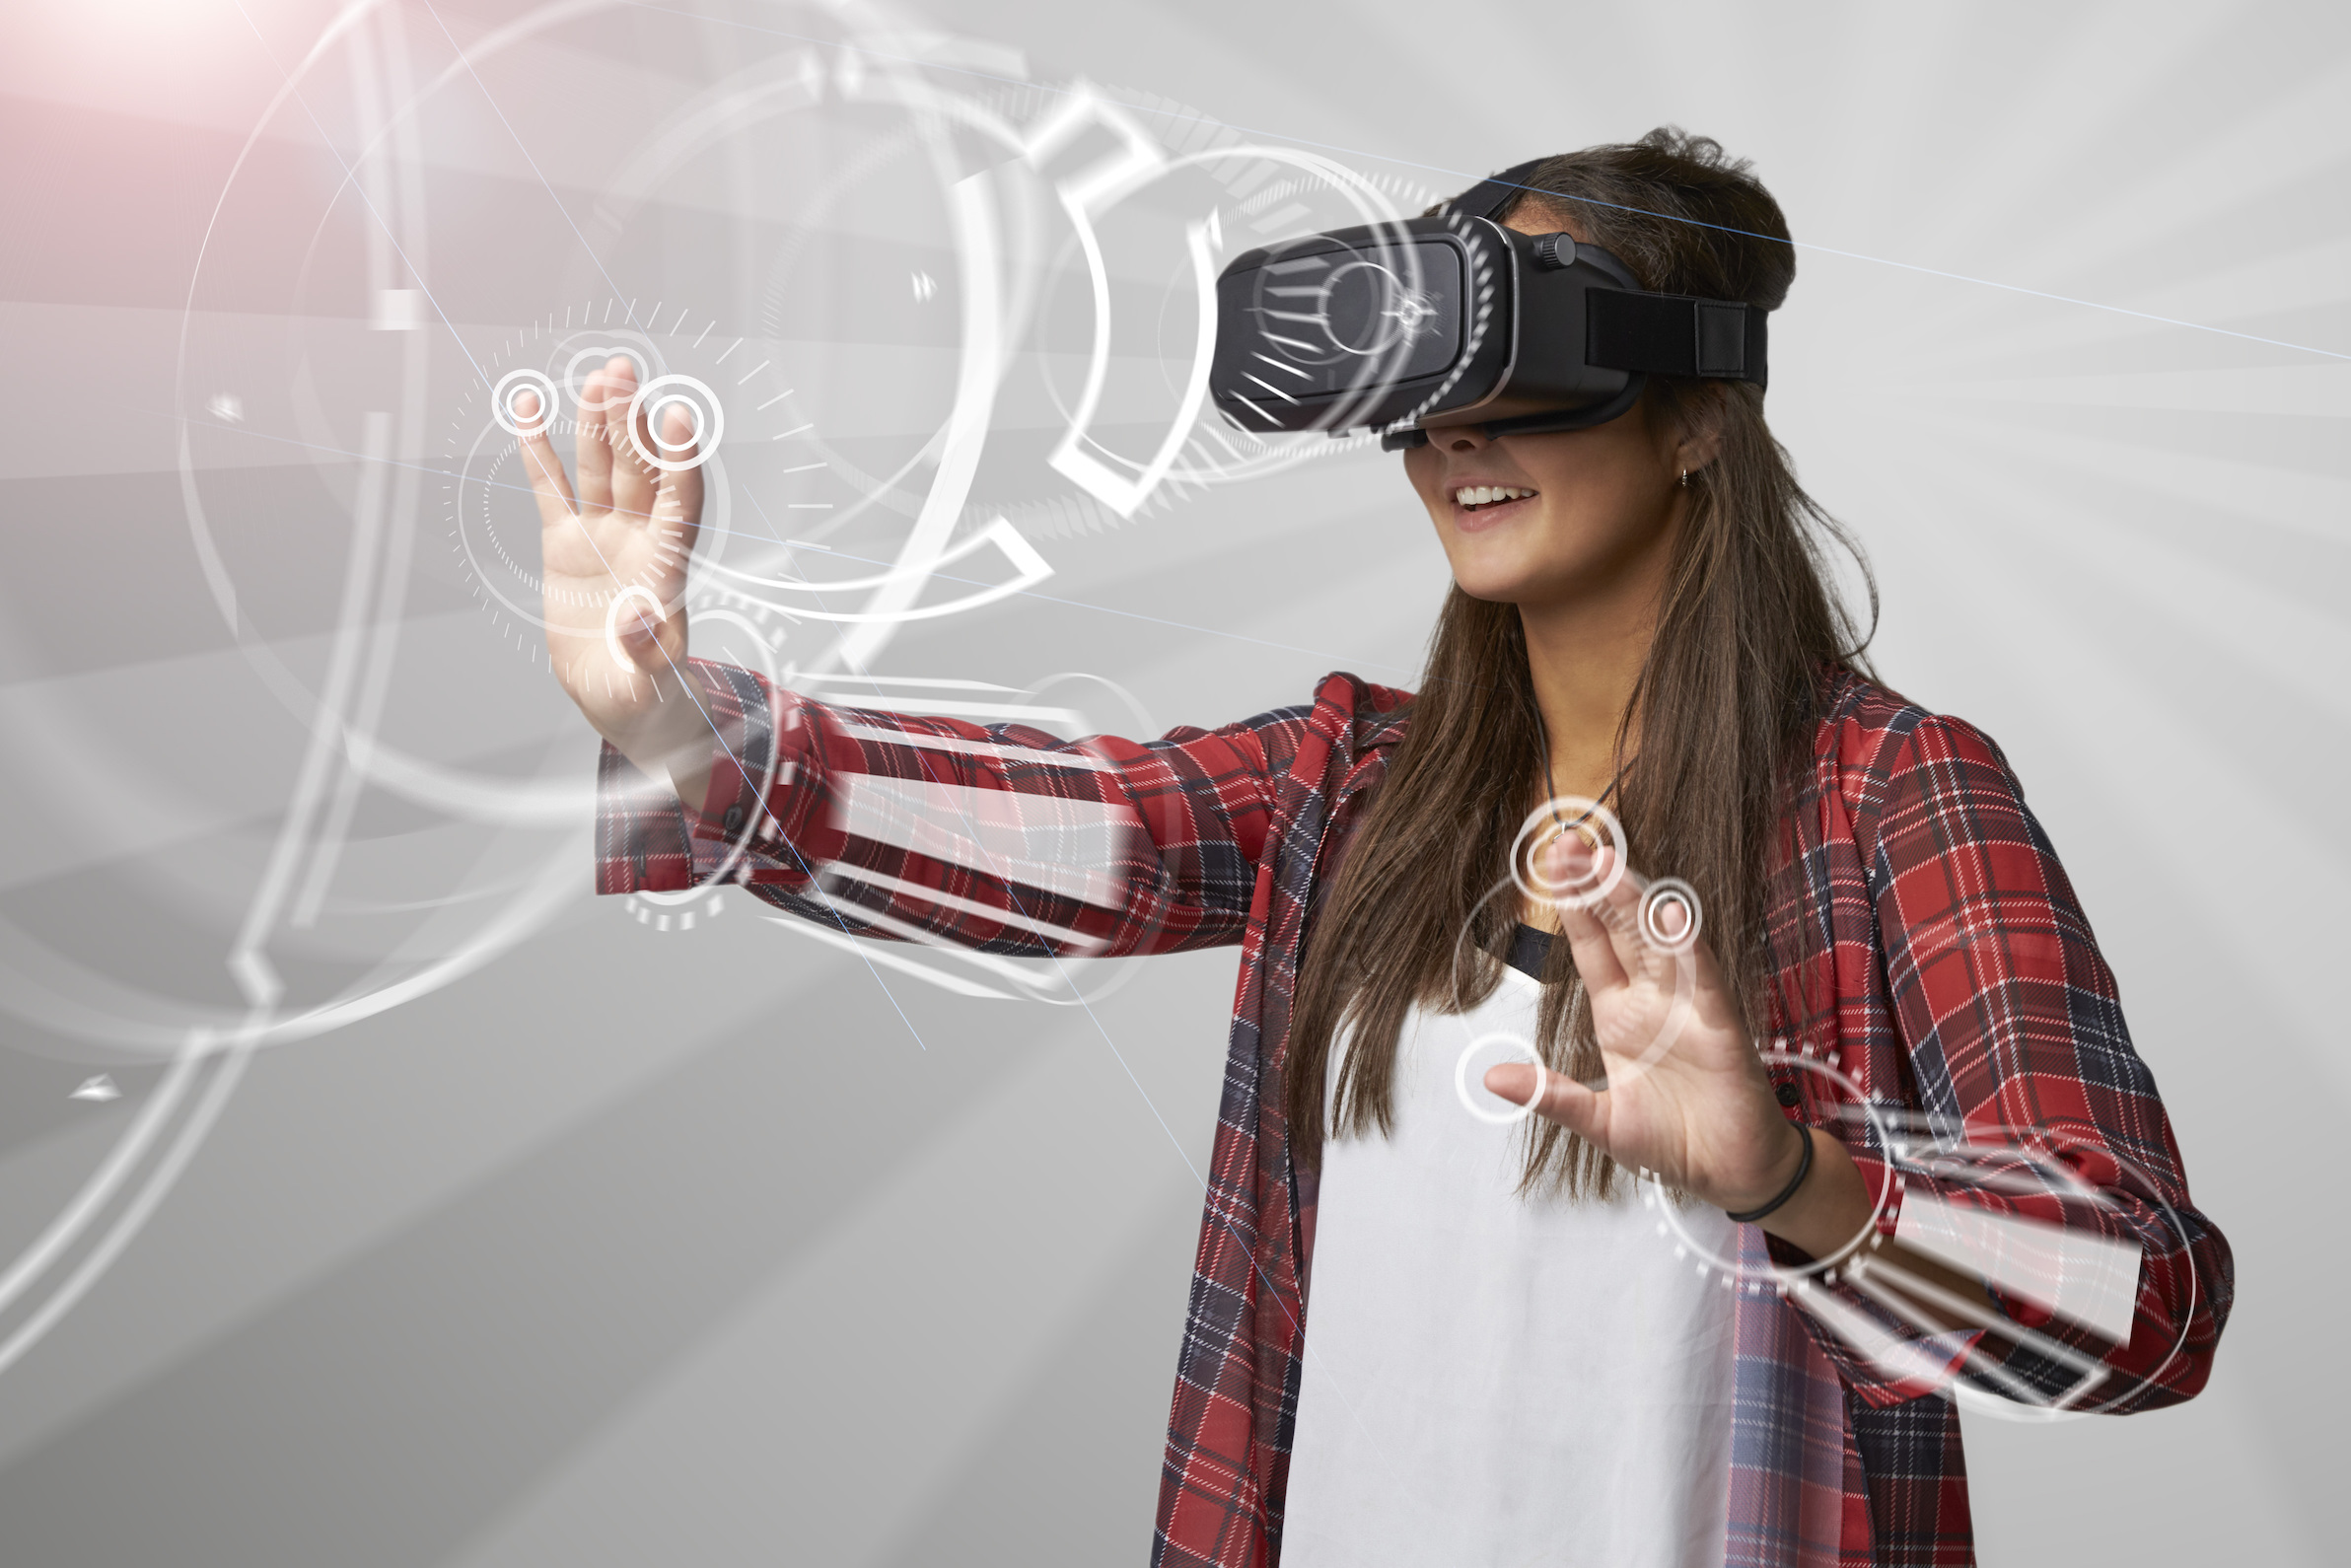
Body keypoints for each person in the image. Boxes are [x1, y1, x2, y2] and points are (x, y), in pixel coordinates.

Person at [517, 128, 2233, 1568]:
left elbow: (2143, 1302)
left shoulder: (1892, 795)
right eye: (1422, 390)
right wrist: (675, 721)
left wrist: (1793, 1178)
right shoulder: (1355, 785)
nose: (1458, 434)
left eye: (1528, 368)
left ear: (1700, 411)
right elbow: (1090, 832)